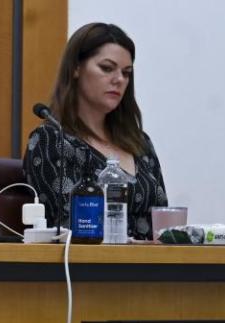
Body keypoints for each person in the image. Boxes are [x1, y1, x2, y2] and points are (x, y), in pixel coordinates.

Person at [23, 23, 167, 240]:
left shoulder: (140, 143)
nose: (119, 79)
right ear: (76, 69)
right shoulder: (52, 140)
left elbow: (163, 224)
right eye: (107, 68)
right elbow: (68, 225)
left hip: (152, 268)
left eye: (126, 73)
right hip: (87, 269)